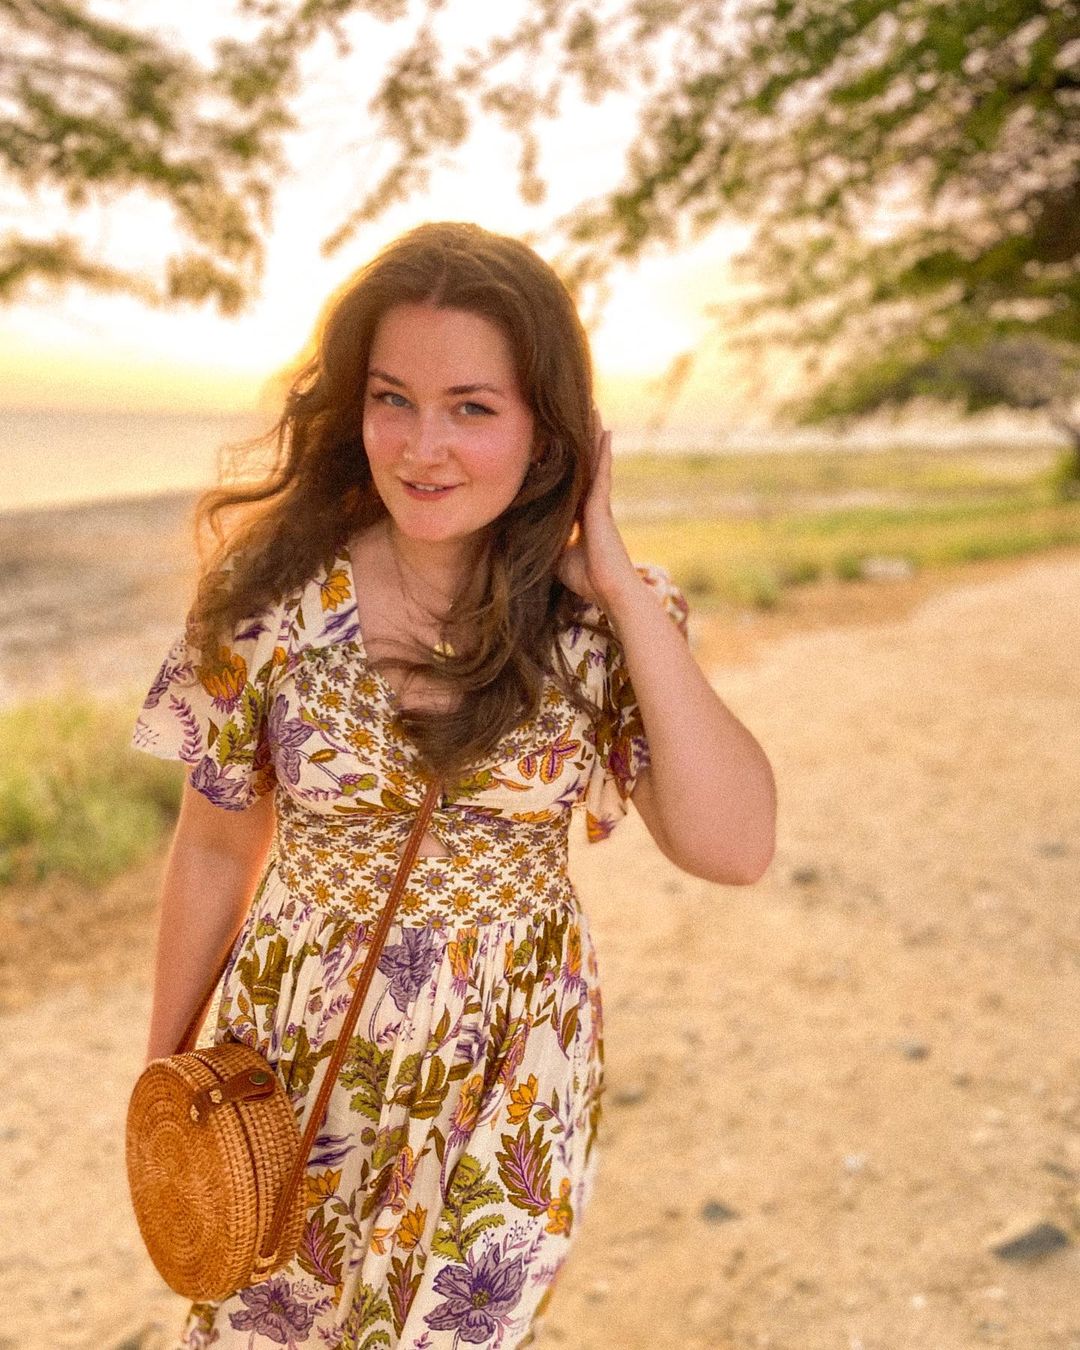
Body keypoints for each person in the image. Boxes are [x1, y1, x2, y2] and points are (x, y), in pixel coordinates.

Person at [131, 219, 776, 1349]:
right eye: (394, 399)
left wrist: (619, 587)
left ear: (547, 430)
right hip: (293, 1051)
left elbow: (735, 847)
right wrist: (167, 1081)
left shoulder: (601, 623)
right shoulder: (270, 601)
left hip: (512, 1066)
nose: (423, 447)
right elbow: (215, 848)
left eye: (472, 408)